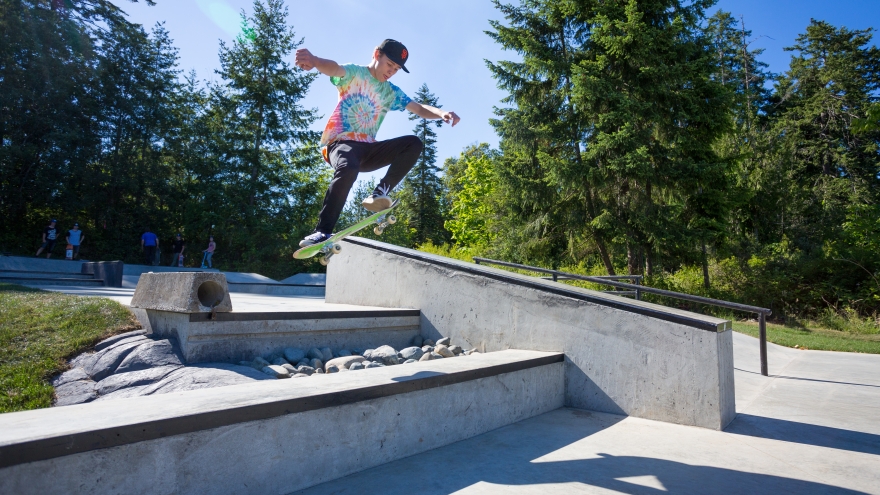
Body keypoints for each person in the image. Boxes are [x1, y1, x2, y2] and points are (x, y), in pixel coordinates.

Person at [294, 39, 460, 247]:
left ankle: (380, 193)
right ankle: (322, 231)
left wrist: (441, 113)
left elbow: (418, 108)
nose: (391, 72)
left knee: (413, 143)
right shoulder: (355, 73)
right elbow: (334, 69)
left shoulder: (391, 92)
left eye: (396, 69)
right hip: (341, 144)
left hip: (369, 150)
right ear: (376, 54)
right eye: (389, 65)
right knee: (348, 168)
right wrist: (316, 60)